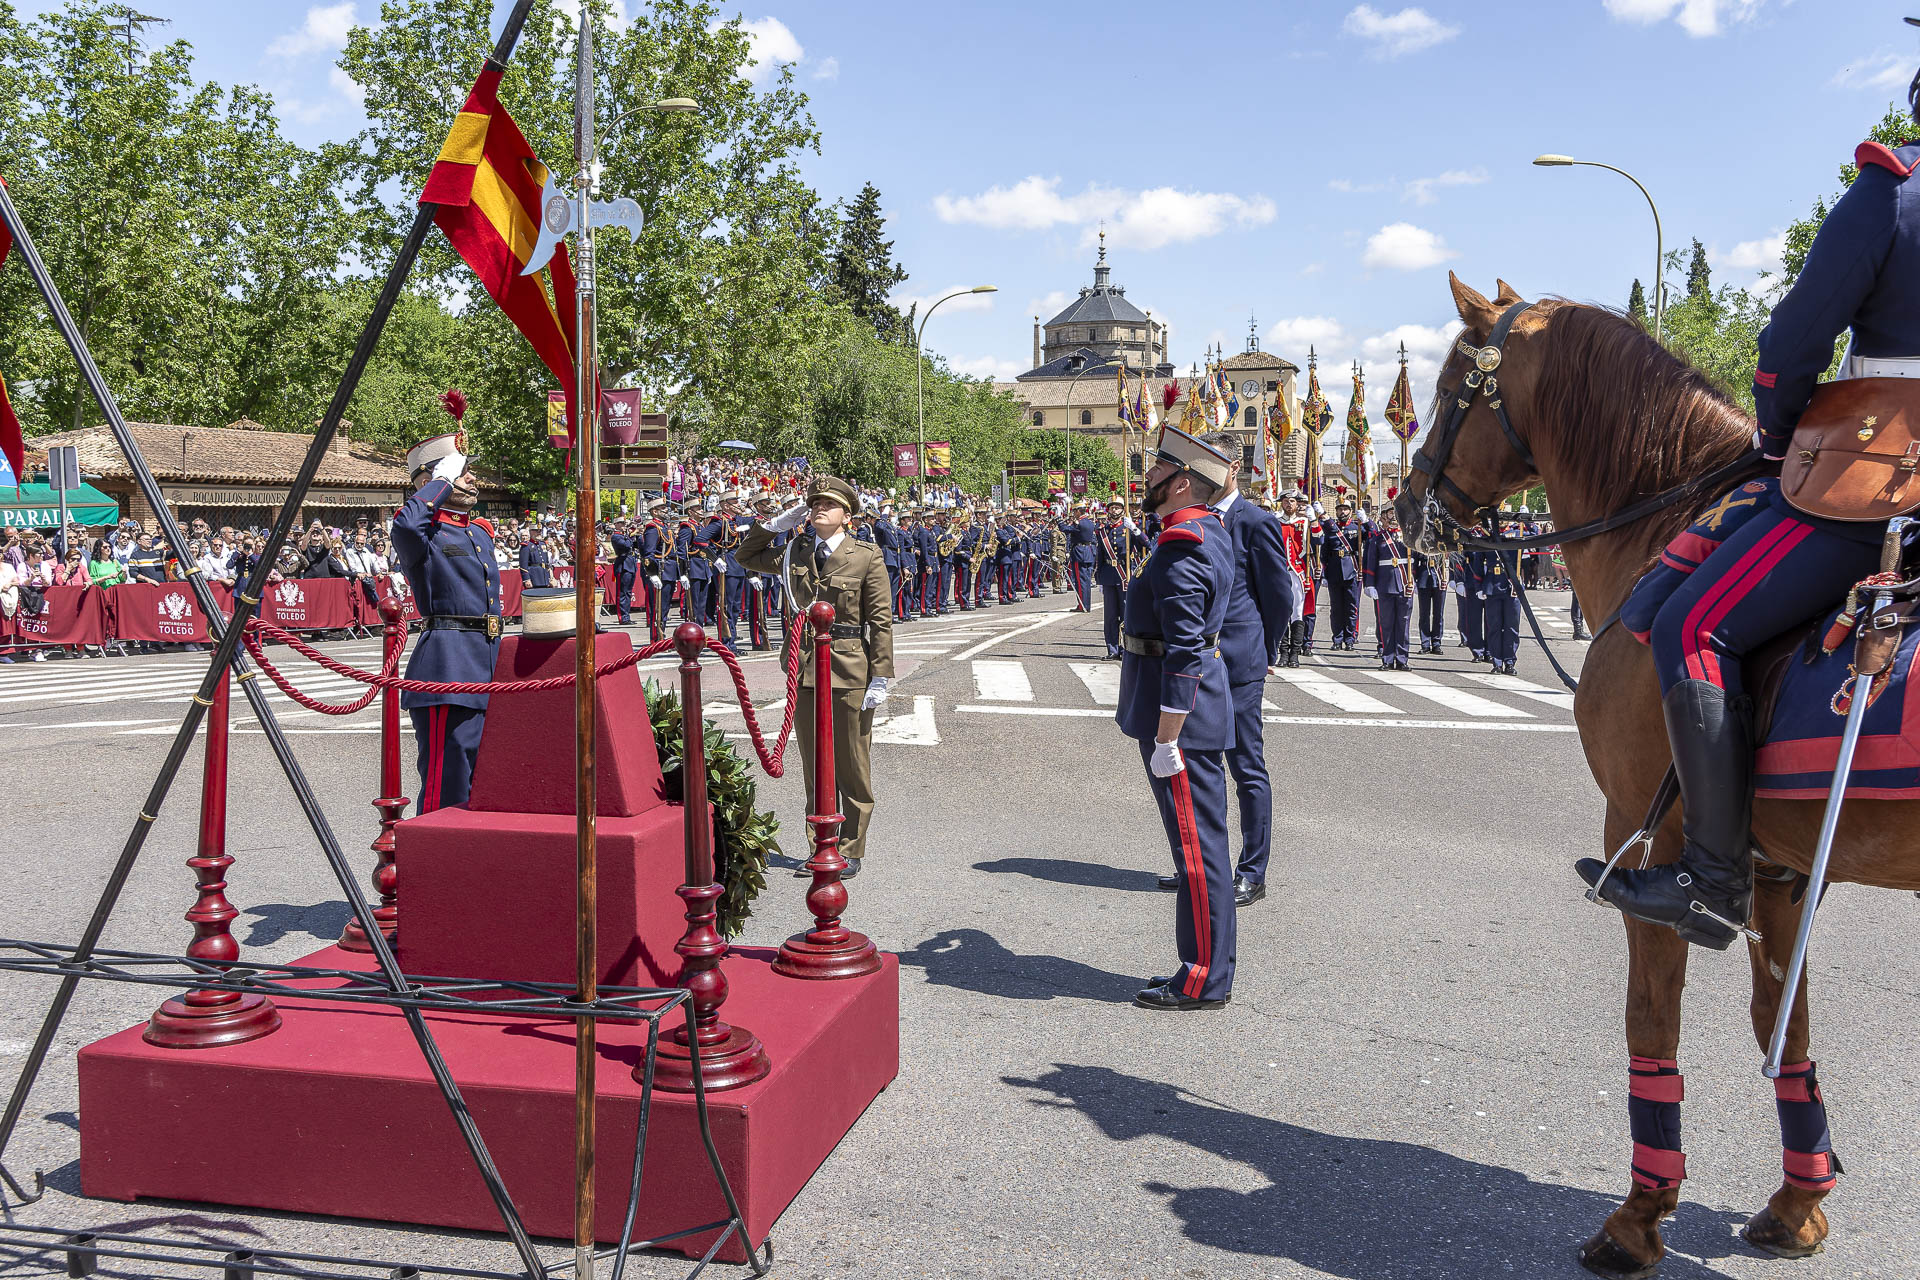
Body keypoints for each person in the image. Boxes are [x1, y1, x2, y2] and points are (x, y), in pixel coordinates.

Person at [1578, 73, 1920, 949]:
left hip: (1889, 467)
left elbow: (1794, 342)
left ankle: (1714, 876)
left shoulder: (1893, 189)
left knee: (1696, 624)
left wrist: (1778, 434)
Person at [1118, 423, 1238, 1011]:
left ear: (1181, 481)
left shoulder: (1182, 545)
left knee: (1197, 851)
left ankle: (1202, 977)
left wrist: (1168, 735)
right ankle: (1205, 968)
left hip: (1180, 720)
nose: (1149, 477)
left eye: (1159, 470)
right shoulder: (1203, 531)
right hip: (1192, 710)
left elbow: (1185, 649)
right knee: (1199, 847)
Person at [1154, 430, 1294, 908]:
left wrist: (1267, 651)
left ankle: (1252, 870)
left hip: (1237, 660)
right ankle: (1196, 863)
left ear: (1232, 468)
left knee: (1246, 767)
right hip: (1199, 666)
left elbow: (1277, 595)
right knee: (1195, 766)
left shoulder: (1255, 520)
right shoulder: (1190, 517)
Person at [735, 476, 893, 878]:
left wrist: (880, 674)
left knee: (852, 764)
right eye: (814, 503)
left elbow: (879, 620)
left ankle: (852, 847)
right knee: (815, 765)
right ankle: (821, 845)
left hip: (848, 666)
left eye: (829, 503)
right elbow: (745, 556)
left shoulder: (866, 555)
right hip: (803, 666)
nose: (819, 508)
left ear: (847, 515)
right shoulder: (795, 551)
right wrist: (774, 525)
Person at [390, 422, 502, 814]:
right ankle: (437, 868)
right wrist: (439, 480)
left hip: (489, 664)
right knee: (448, 784)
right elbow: (405, 523)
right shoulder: (422, 533)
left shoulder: (479, 532)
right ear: (431, 479)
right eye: (461, 472)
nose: (471, 478)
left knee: (483, 782)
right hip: (447, 668)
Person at [1364, 505, 1414, 670]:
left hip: (1405, 585)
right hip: (1384, 585)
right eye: (1390, 514)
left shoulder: (1409, 538)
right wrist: (1370, 584)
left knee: (1403, 624)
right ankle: (1387, 658)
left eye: (1396, 513)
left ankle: (1402, 659)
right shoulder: (1377, 538)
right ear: (1383, 518)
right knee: (1386, 624)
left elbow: (1418, 561)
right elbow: (1371, 562)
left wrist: (1414, 581)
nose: (1393, 517)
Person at [1316, 498, 1363, 650]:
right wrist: (1324, 573)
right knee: (1336, 608)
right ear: (1336, 511)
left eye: (1345, 509)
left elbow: (1372, 533)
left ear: (1351, 511)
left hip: (1351, 571)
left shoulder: (1357, 527)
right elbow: (1324, 553)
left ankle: (1349, 638)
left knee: (1351, 607)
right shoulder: (1330, 528)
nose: (1342, 512)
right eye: (1339, 509)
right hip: (1334, 571)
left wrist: (1367, 521)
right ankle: (1337, 639)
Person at [1468, 541, 1520, 675]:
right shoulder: (1487, 538)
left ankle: (1509, 662)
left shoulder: (1517, 534)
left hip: (1511, 585)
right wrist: (1478, 586)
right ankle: (1497, 662)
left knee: (1511, 627)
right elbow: (1478, 563)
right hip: (1492, 585)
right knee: (1494, 627)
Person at [1412, 535, 1448, 655]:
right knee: (1424, 614)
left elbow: (1447, 561)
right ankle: (1425, 643)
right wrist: (1414, 580)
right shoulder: (1420, 541)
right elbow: (1414, 562)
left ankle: (1437, 643)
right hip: (1423, 579)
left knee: (1438, 614)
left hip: (1439, 579)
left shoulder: (1442, 541)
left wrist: (1447, 578)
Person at [610, 518, 640, 626]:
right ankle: (623, 617)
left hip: (630, 563)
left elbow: (637, 545)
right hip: (623, 564)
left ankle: (627, 615)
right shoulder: (616, 536)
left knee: (628, 592)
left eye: (624, 523)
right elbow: (626, 545)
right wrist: (631, 535)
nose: (623, 525)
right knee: (622, 593)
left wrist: (636, 535)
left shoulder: (626, 535)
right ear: (616, 524)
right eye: (621, 523)